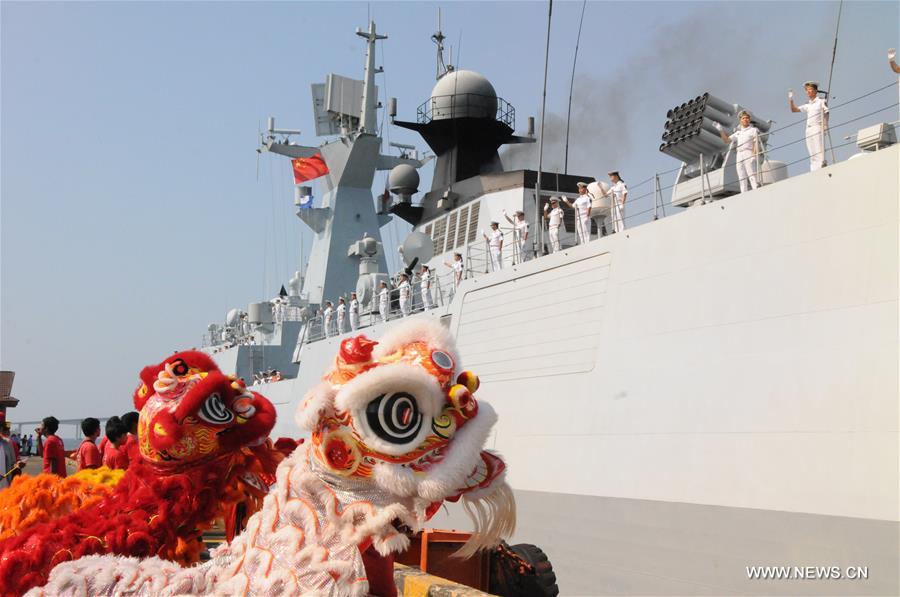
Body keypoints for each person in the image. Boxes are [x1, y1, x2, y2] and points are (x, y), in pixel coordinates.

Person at [714, 111, 760, 193]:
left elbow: (755, 143)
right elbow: (726, 140)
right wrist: (720, 130)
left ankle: (755, 189)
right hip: (739, 154)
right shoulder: (738, 133)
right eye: (743, 118)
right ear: (740, 120)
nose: (745, 119)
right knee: (741, 175)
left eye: (747, 118)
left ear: (749, 120)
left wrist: (754, 155)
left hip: (748, 152)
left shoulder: (753, 130)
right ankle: (744, 192)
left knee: (751, 173)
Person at [789, 81, 829, 171]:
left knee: (819, 150)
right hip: (809, 129)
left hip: (817, 127)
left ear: (815, 91)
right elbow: (794, 110)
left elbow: (826, 112)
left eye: (810, 90)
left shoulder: (821, 101)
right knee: (812, 152)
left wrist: (825, 126)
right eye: (807, 90)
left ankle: (821, 167)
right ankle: (814, 169)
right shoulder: (808, 104)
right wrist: (791, 99)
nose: (808, 92)